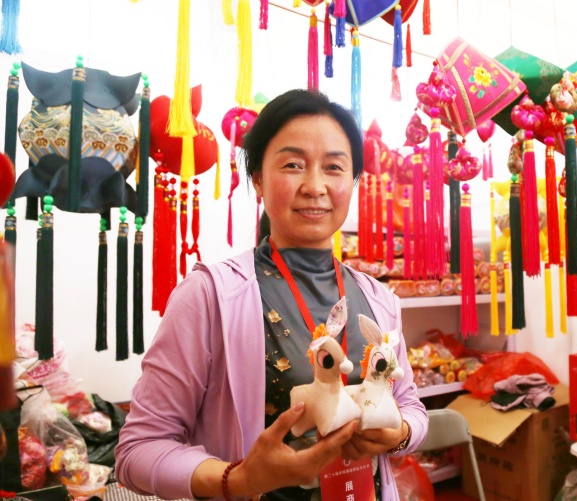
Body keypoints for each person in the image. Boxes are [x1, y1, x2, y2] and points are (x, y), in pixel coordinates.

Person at [115, 89, 428, 500]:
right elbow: (137, 451)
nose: (315, 186)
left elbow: (411, 407)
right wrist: (240, 478)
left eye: (334, 167)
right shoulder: (210, 296)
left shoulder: (378, 299)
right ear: (258, 178)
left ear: (352, 182)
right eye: (293, 165)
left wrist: (399, 433)